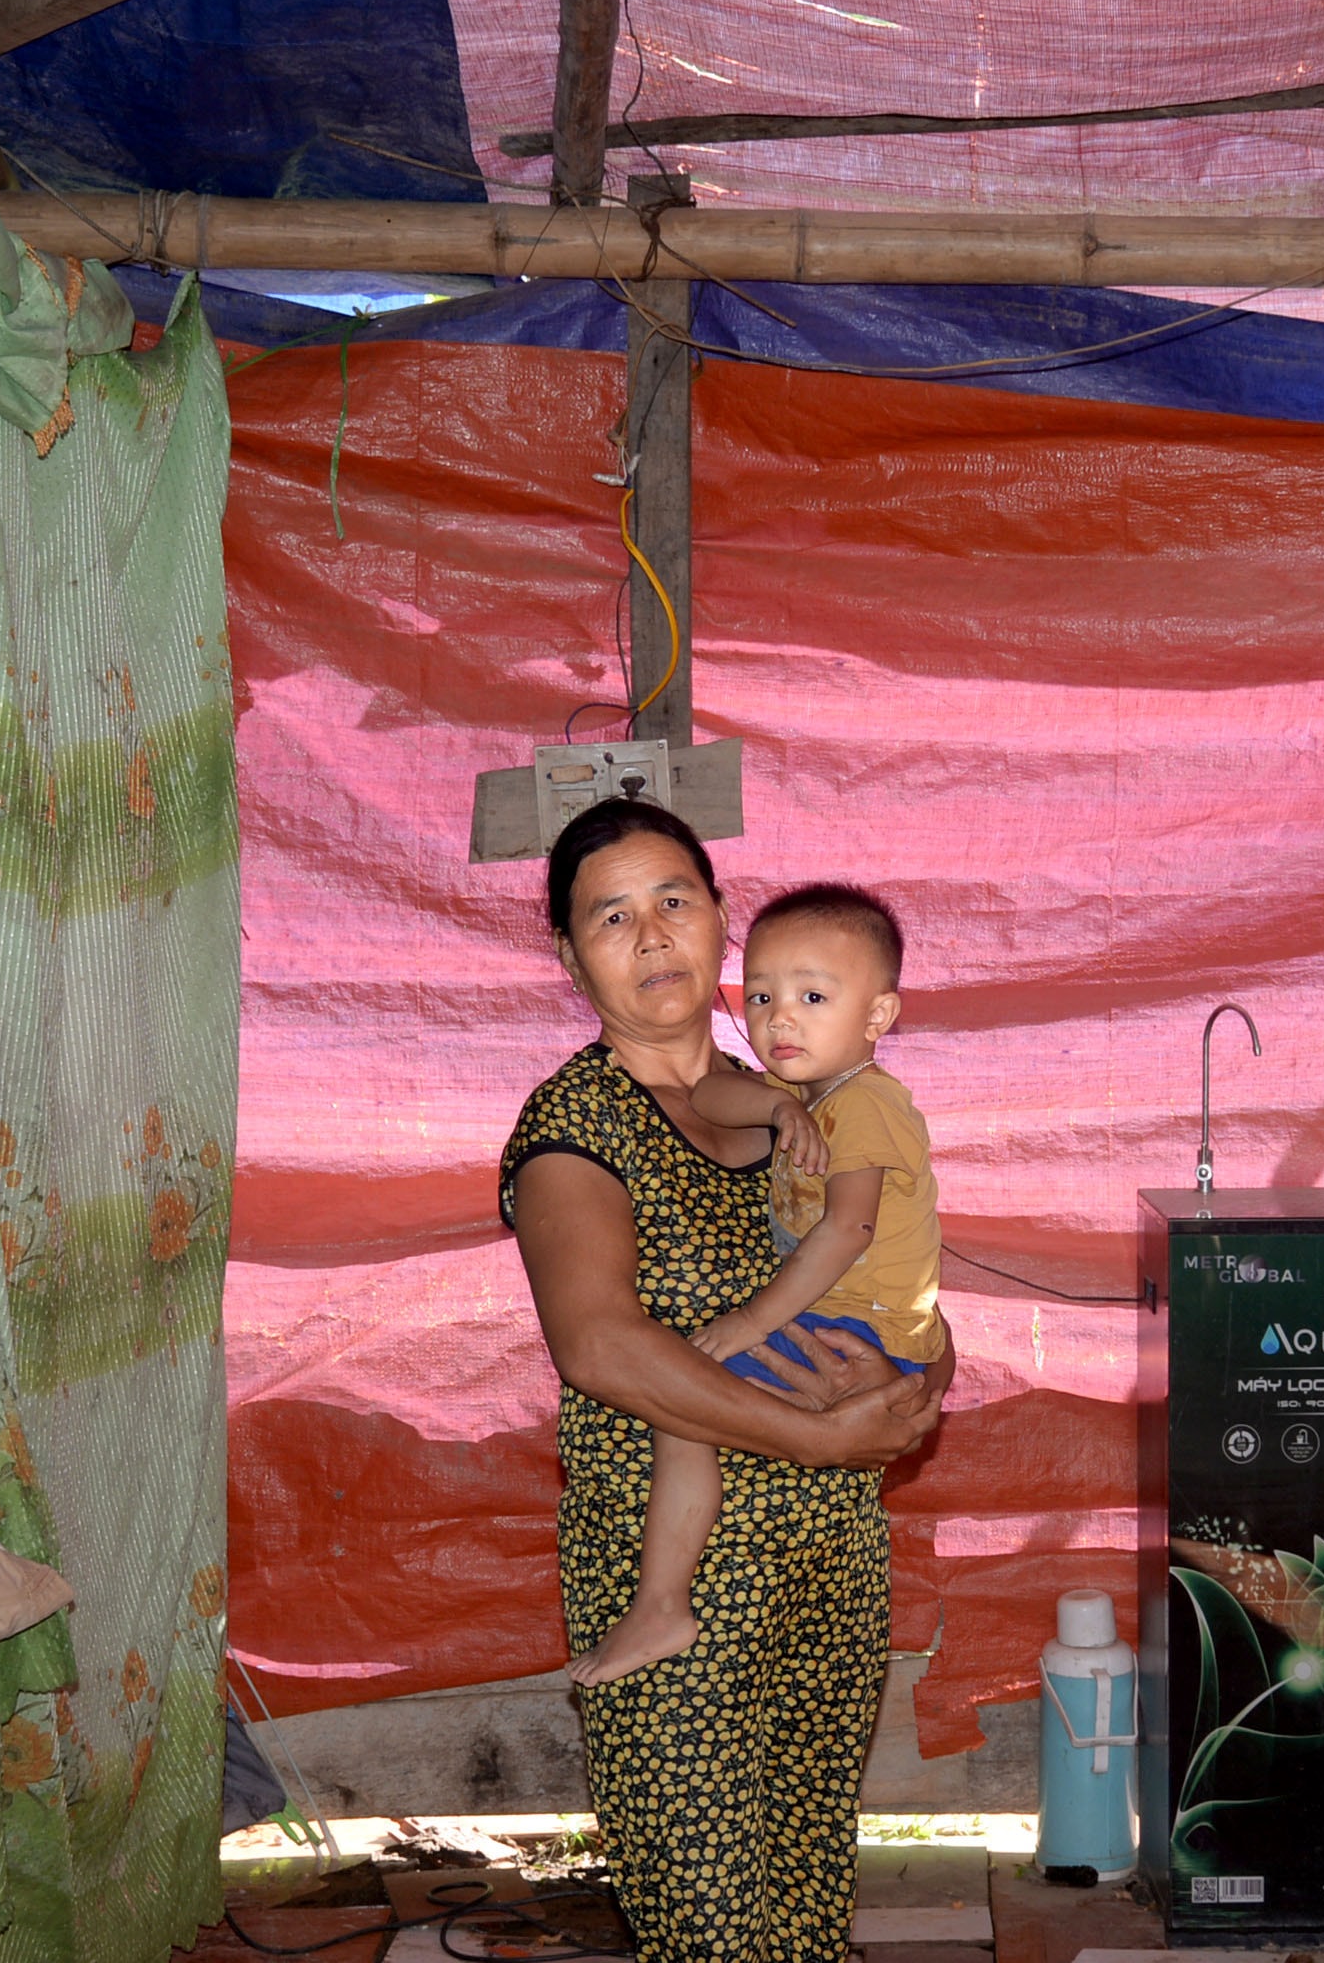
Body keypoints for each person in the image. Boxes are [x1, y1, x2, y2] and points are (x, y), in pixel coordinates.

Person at [500, 798, 951, 1963]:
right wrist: (808, 1435)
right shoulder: (575, 1130)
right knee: (709, 1927)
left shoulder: (809, 1099)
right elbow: (600, 1346)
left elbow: (897, 1269)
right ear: (567, 955)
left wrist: (922, 1370)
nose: (651, 937)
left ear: (718, 925)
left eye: (674, 902)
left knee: (804, 1905)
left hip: (829, 1568)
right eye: (611, 916)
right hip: (684, 1596)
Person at [569, 882, 946, 1687]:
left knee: (687, 1401)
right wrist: (779, 1111)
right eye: (764, 995)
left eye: (813, 997)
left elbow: (848, 1230)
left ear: (878, 1017)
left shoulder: (868, 1106)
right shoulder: (808, 1098)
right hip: (865, 1329)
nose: (781, 1018)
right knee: (694, 1403)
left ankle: (663, 1601)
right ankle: (668, 1601)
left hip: (859, 1328)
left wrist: (748, 1321)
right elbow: (706, 1091)